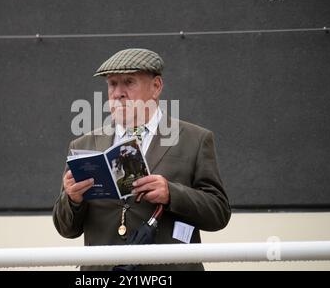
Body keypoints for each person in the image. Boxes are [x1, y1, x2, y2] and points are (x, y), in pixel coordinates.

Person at [53, 48, 231, 270]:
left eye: (129, 82)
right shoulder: (82, 145)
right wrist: (72, 199)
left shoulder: (195, 139)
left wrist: (171, 193)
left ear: (156, 87)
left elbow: (219, 214)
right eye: (112, 84)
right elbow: (66, 228)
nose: (118, 92)